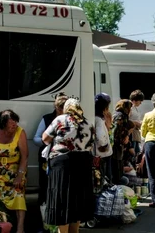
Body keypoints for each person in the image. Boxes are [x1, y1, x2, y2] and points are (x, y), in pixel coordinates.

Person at [42, 99, 94, 233]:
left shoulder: (60, 119)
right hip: (83, 163)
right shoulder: (88, 122)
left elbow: (45, 138)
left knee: (62, 198)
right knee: (77, 199)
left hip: (63, 163)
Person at [0, 109, 28, 233]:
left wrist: (20, 175)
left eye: (15, 121)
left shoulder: (20, 132)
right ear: (3, 124)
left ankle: (20, 228)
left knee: (18, 191)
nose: (15, 124)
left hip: (15, 168)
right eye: (11, 122)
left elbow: (25, 156)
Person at [33, 93, 69, 207]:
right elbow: (36, 139)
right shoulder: (47, 118)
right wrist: (48, 141)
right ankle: (44, 211)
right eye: (60, 108)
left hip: (63, 158)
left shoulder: (71, 121)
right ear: (56, 107)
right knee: (45, 185)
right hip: (47, 158)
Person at [111, 99, 133, 184]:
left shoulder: (121, 115)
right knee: (117, 170)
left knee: (118, 168)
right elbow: (116, 131)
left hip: (118, 146)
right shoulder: (120, 116)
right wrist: (125, 136)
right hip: (116, 146)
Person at [129, 90, 145, 155]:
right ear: (135, 100)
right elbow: (127, 120)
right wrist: (136, 123)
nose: (140, 103)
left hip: (136, 132)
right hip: (131, 133)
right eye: (140, 100)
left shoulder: (135, 108)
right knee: (133, 151)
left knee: (137, 152)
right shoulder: (130, 108)